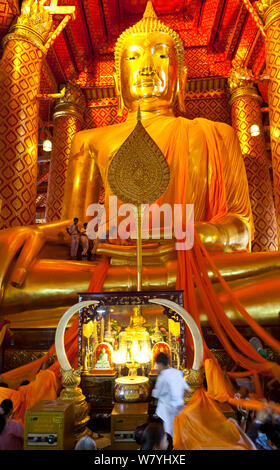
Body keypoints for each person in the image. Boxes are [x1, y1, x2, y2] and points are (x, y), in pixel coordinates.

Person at [1, 1, 280, 327]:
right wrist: (37, 232)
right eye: (133, 57)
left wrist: (173, 235)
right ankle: (155, 303)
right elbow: (76, 228)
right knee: (10, 271)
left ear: (181, 76)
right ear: (119, 80)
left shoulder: (217, 134)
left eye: (161, 55)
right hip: (110, 268)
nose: (147, 66)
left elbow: (240, 230)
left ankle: (121, 304)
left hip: (192, 268)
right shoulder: (90, 139)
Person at [151, 352, 189, 437]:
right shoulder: (177, 372)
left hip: (166, 411)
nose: (157, 368)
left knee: (168, 433)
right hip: (179, 409)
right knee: (179, 432)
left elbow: (156, 394)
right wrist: (180, 401)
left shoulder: (162, 377)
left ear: (160, 364)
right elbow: (186, 390)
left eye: (157, 365)